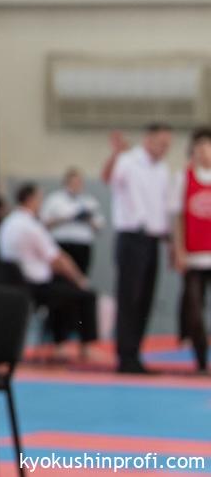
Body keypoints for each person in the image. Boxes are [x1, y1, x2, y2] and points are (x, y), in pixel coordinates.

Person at [0, 183, 96, 361]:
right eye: (39, 199)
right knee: (84, 294)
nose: (40, 203)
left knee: (63, 290)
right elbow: (58, 259)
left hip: (11, 284)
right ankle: (83, 347)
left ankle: (60, 344)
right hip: (32, 286)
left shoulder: (7, 223)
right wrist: (80, 280)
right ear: (31, 200)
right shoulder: (30, 225)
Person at [103, 124, 173, 373]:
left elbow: (164, 207)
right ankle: (125, 356)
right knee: (129, 297)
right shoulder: (128, 160)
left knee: (145, 298)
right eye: (161, 143)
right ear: (148, 139)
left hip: (154, 238)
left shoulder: (163, 169)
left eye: (168, 145)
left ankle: (135, 354)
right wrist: (115, 154)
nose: (165, 148)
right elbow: (107, 178)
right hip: (132, 236)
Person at [171, 127, 211, 374]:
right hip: (194, 257)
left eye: (208, 146)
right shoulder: (183, 178)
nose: (205, 152)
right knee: (194, 310)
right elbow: (177, 218)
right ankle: (201, 361)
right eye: (200, 147)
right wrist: (179, 250)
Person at [39, 167, 103, 275]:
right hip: (61, 243)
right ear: (66, 183)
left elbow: (99, 226)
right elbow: (43, 223)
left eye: (79, 182)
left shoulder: (89, 201)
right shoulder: (54, 199)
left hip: (82, 244)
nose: (76, 185)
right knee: (60, 276)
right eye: (73, 182)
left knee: (81, 275)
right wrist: (65, 218)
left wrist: (87, 219)